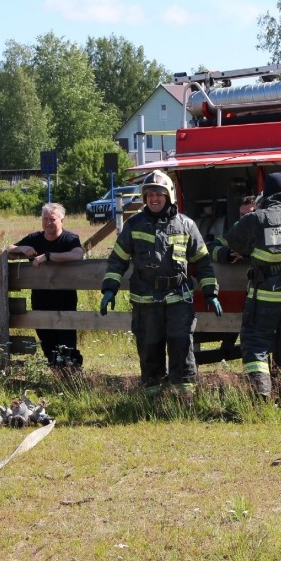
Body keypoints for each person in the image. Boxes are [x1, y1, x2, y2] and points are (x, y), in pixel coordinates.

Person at [100, 169, 222, 399]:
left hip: (179, 301)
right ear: (145, 198)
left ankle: (184, 400)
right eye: (150, 195)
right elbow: (117, 260)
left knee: (182, 349)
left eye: (159, 194)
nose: (154, 199)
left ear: (169, 196)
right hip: (146, 302)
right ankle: (152, 400)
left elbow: (203, 263)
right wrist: (109, 290)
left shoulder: (186, 225)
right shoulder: (134, 225)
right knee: (149, 350)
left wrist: (210, 292)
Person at [213, 172, 281, 403]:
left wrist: (225, 253)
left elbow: (233, 243)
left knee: (254, 342)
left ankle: (261, 396)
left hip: (268, 292)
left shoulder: (258, 218)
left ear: (267, 193)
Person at [5, 202, 85, 369]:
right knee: (47, 341)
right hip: (40, 298)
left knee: (66, 340)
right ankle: (56, 373)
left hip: (65, 299)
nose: (48, 223)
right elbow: (8, 249)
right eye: (45, 219)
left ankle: (72, 374)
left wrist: (48, 256)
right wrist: (22, 247)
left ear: (62, 220)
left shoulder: (70, 238)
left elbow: (77, 254)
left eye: (52, 219)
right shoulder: (35, 238)